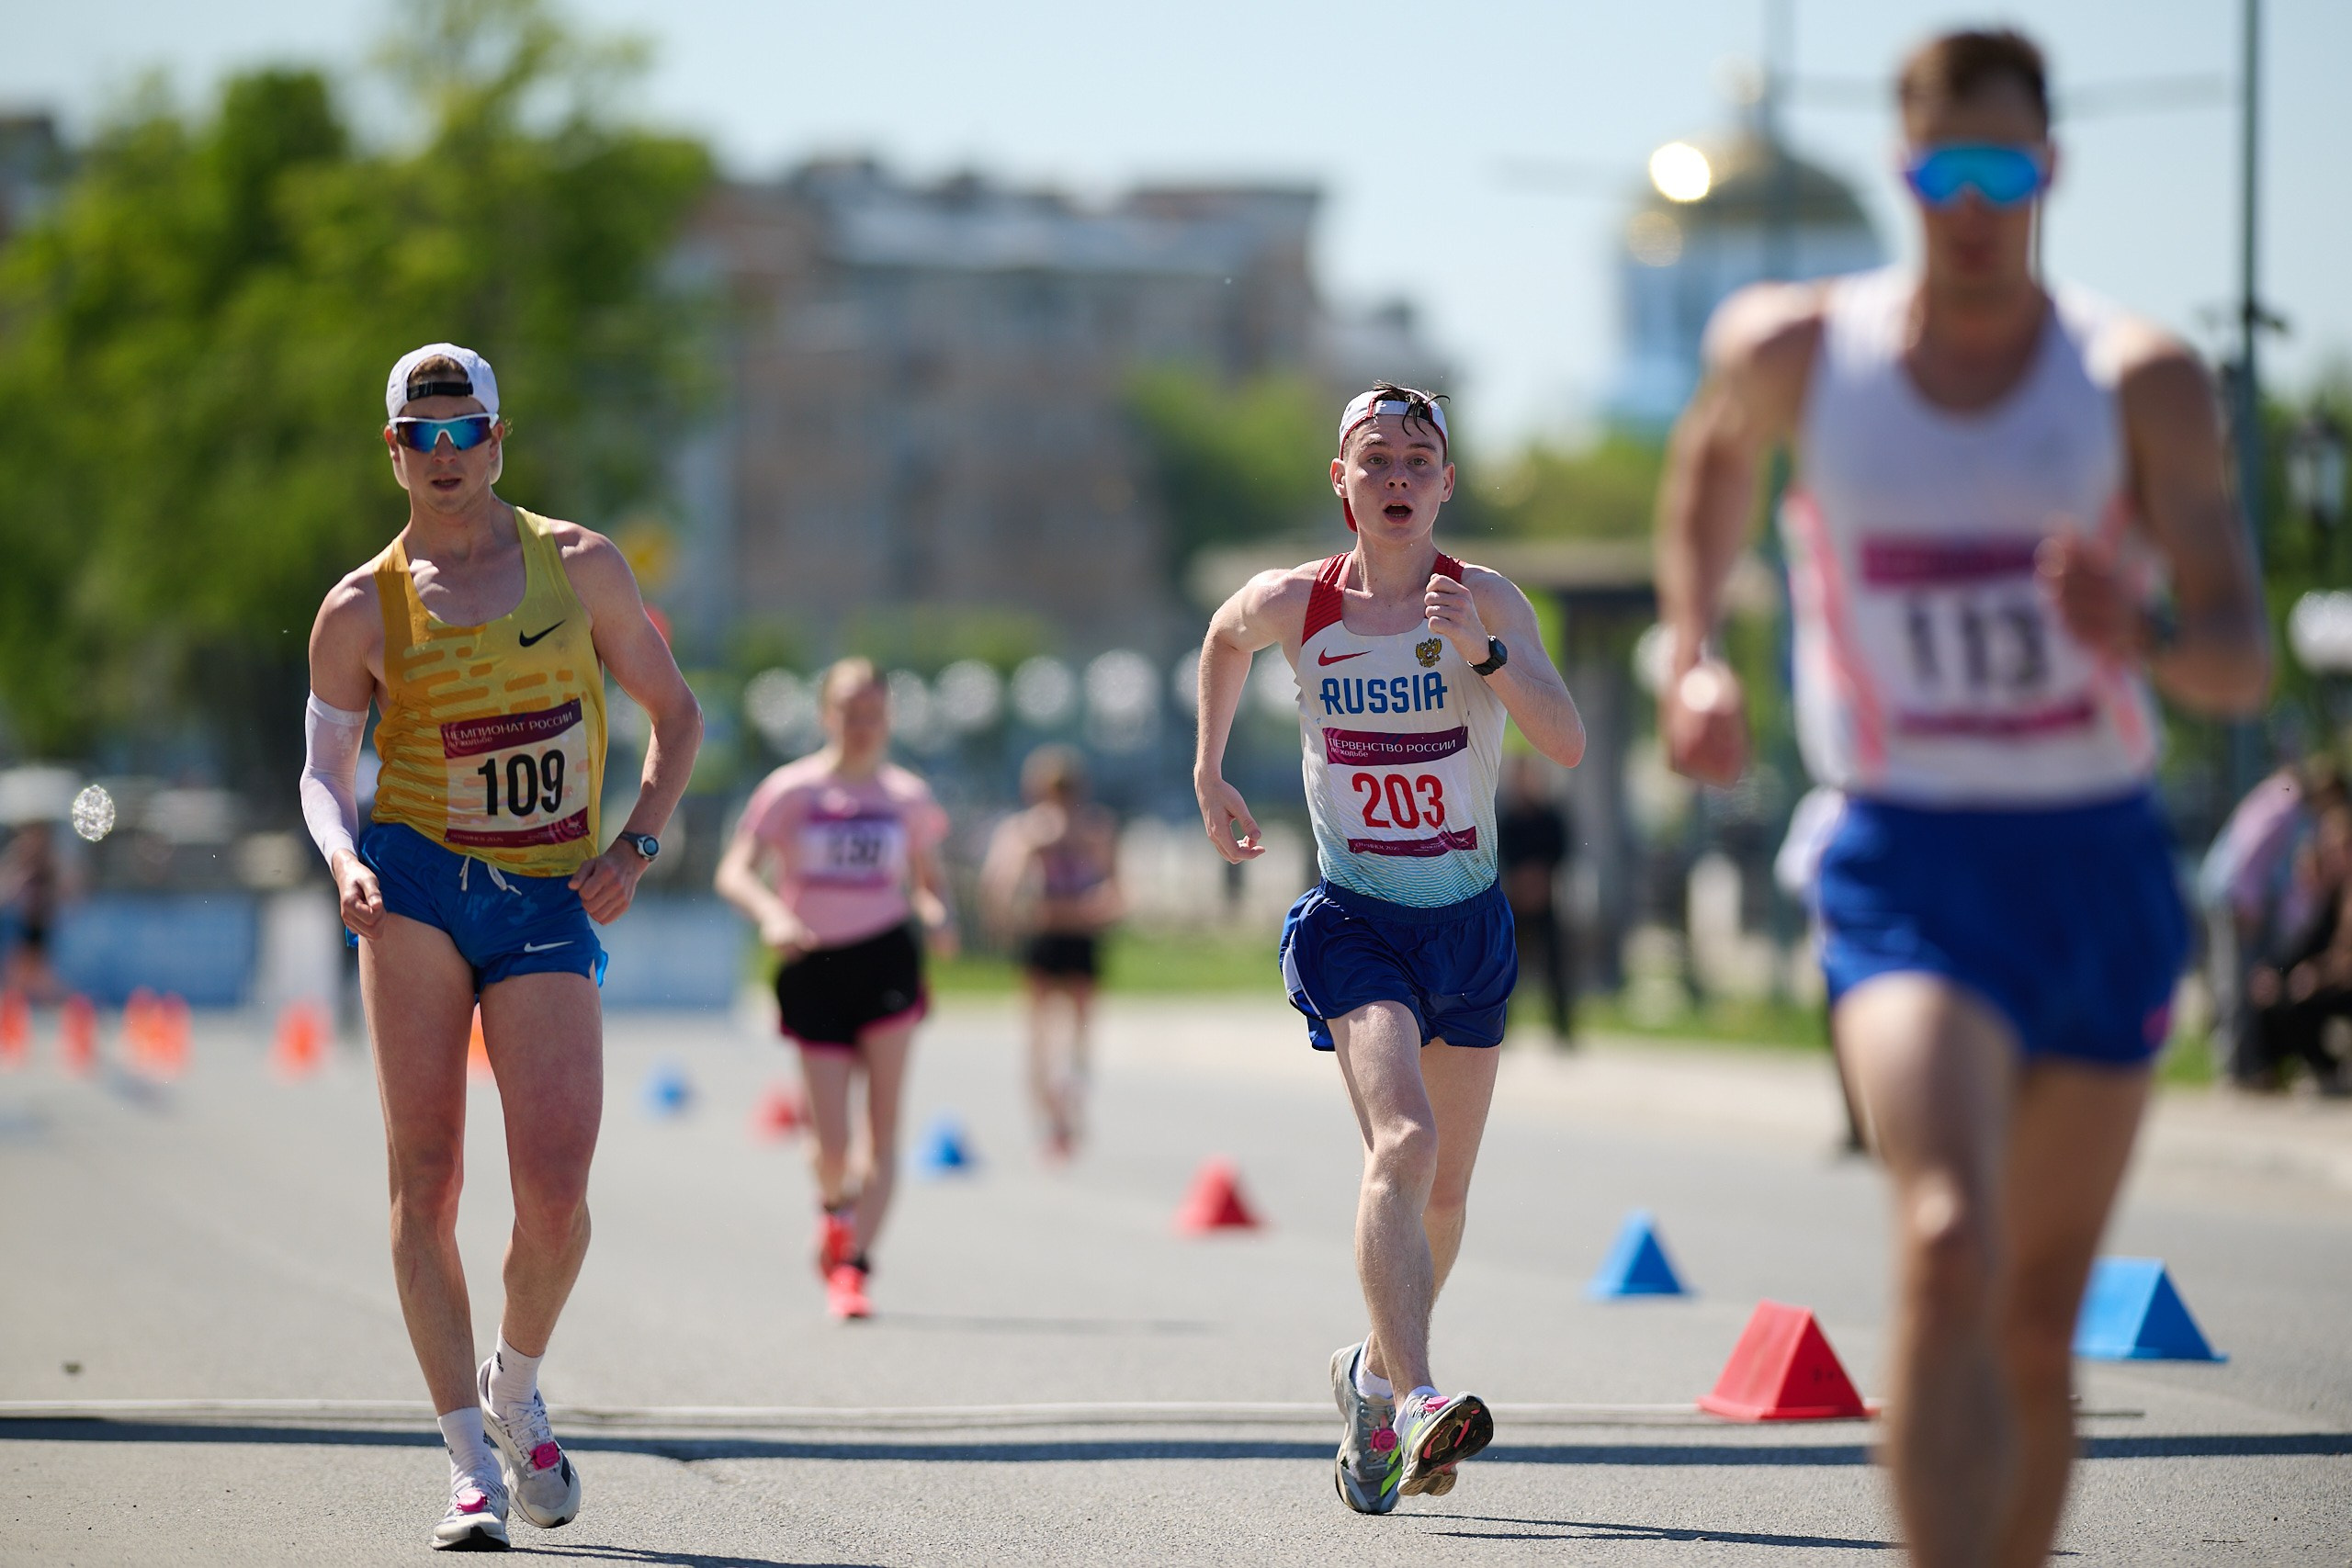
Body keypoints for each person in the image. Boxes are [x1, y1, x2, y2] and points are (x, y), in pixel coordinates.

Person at [1654, 30, 2268, 1567]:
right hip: (1905, 851)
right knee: (1943, 1240)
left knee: (2036, 1316)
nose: (1974, 204)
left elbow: (2244, 659)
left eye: (2003, 173)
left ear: (2049, 172)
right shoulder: (1795, 349)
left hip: (2097, 858)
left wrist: (2144, 635)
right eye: (1944, 174)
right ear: (1904, 171)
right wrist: (1691, 655)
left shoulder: (2140, 380)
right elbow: (1706, 479)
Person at [303, 344, 703, 1551]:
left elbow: (674, 716)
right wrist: (344, 856)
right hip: (417, 885)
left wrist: (633, 845)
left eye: (461, 432)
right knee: (426, 1178)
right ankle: (467, 1467)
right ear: (393, 451)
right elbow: (323, 774)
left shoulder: (577, 565)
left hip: (542, 888)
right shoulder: (361, 605)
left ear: (496, 439)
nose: (442, 457)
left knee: (558, 1188)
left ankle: (514, 1381)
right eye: (418, 438)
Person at [1194, 382, 1586, 1514]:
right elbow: (1224, 635)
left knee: (1445, 1193)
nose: (1399, 478)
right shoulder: (1296, 604)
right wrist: (1210, 765)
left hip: (1468, 924)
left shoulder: (1486, 598)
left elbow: (1560, 741)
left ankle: (1368, 1378)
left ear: (1446, 485)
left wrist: (1491, 659)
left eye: (1420, 460)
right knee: (1401, 1141)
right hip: (1357, 920)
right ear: (1342, 483)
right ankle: (1419, 1404)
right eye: (1376, 460)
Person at [714, 658, 956, 1320]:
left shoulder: (907, 796)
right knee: (832, 1145)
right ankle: (833, 1210)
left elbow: (929, 882)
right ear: (826, 715)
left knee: (883, 1130)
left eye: (873, 713)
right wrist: (772, 913)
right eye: (849, 713)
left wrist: (937, 914)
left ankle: (854, 1267)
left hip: (886, 961)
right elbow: (733, 871)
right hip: (811, 962)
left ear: (889, 718)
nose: (861, 725)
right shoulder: (791, 791)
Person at [980, 745, 1124, 1160]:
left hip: (1077, 935)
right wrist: (1008, 918)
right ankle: (1048, 1113)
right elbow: (1001, 883)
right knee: (1041, 1031)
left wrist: (1095, 908)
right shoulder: (1028, 832)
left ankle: (1068, 1104)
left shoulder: (1095, 829)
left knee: (1078, 1031)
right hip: (1046, 934)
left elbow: (1116, 891)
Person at [2245, 798, 2352, 1094]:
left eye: (2336, 848)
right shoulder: (2330, 895)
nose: (2329, 856)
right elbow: (2308, 948)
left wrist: (2317, 976)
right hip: (2335, 978)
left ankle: (2327, 1070)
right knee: (2272, 991)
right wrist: (2279, 974)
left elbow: (2344, 960)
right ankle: (2267, 1072)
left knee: (2302, 1000)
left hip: (2343, 983)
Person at [1497, 755, 1575, 1042]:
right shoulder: (1506, 818)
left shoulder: (1550, 817)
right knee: (1506, 967)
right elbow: (1500, 856)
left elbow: (1561, 854)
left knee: (1556, 966)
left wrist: (1541, 880)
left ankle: (1563, 1029)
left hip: (1545, 899)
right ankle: (1502, 1026)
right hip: (1515, 900)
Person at [0, 821, 74, 1004]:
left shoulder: (51, 865)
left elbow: (69, 892)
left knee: (36, 980)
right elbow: (7, 893)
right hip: (19, 928)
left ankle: (69, 1005)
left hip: (40, 929)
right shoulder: (17, 862)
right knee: (20, 978)